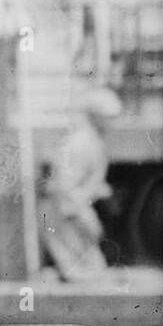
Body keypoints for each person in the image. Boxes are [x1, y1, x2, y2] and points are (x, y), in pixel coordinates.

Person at [37, 86, 121, 282]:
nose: (113, 122)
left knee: (91, 270)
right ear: (94, 116)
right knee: (84, 274)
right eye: (108, 116)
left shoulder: (92, 140)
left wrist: (101, 191)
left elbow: (87, 182)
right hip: (62, 213)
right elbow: (64, 187)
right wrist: (83, 216)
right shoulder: (82, 143)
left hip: (69, 211)